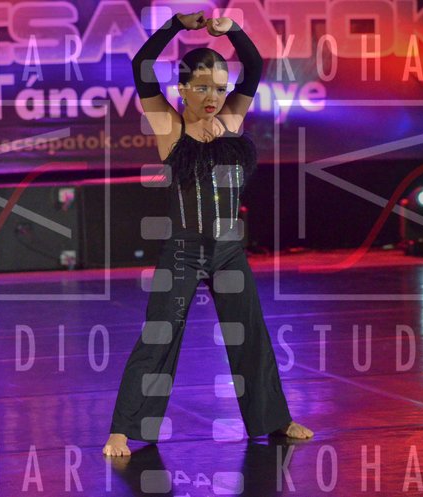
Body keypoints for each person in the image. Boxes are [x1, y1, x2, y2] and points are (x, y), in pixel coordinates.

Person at [103, 11, 313, 457]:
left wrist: (231, 30)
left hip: (229, 253)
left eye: (219, 88)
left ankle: (275, 420)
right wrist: (176, 25)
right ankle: (123, 429)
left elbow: (253, 66)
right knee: (159, 336)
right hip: (183, 253)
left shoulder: (232, 119)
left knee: (251, 335)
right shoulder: (169, 126)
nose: (213, 97)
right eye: (202, 88)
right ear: (182, 89)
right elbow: (142, 65)